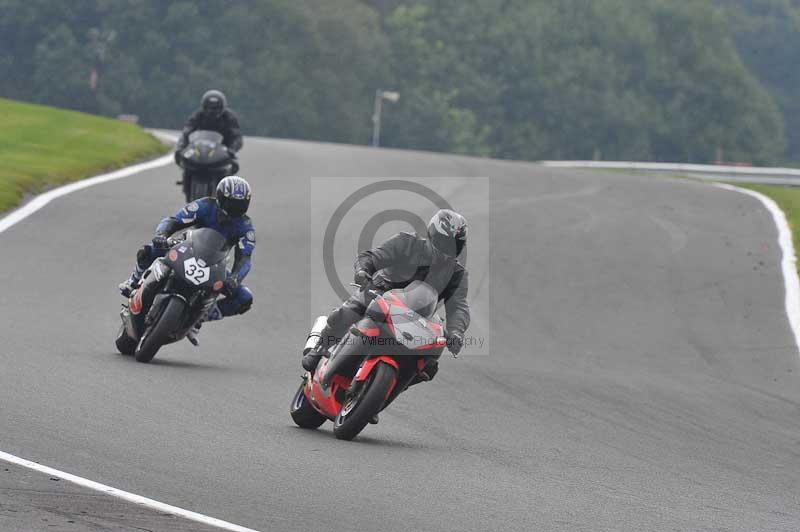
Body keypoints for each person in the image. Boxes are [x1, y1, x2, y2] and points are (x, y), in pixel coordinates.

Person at [302, 209, 470, 380]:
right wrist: (363, 271)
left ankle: (397, 383)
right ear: (432, 234)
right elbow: (373, 256)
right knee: (347, 312)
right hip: (381, 295)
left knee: (430, 364)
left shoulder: (457, 274)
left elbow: (459, 306)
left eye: (453, 246)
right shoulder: (407, 243)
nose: (446, 250)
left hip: (417, 316)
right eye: (443, 242)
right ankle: (319, 349)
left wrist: (456, 332)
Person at [118, 176, 255, 345]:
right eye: (231, 203)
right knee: (149, 250)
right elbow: (174, 220)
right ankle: (134, 280)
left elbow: (245, 258)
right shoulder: (205, 205)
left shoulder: (245, 227)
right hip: (187, 247)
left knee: (244, 298)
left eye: (240, 205)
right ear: (220, 198)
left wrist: (235, 278)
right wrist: (162, 235)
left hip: (214, 264)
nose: (234, 209)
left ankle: (200, 318)